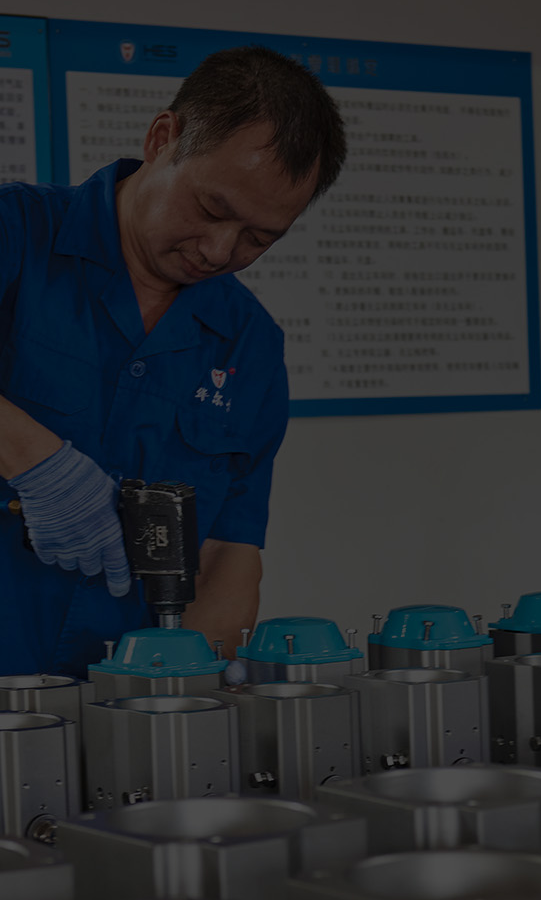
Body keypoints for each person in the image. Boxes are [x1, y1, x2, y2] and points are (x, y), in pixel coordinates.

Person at [0, 43, 346, 675]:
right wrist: (35, 460)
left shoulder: (249, 343)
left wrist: (187, 693)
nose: (218, 250)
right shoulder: (17, 233)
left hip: (122, 697)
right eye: (212, 209)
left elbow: (227, 554)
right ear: (164, 138)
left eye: (258, 238)